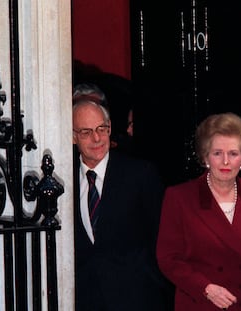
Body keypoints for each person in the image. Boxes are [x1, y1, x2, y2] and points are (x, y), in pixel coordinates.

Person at [156, 112, 241, 311]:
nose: (226, 162)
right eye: (217, 153)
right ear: (205, 156)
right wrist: (205, 288)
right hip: (201, 303)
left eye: (233, 154)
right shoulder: (180, 197)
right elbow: (168, 258)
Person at [72, 95, 171, 310]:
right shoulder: (64, 179)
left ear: (109, 129)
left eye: (102, 128)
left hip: (137, 298)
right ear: (73, 137)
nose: (97, 138)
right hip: (83, 299)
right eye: (86, 132)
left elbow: (162, 237)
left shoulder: (140, 174)